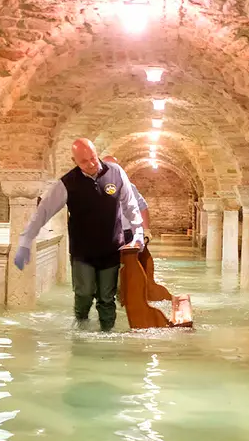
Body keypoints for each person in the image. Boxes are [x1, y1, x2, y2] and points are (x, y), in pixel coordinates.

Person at [13, 138, 144, 331]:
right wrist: (25, 240)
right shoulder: (67, 183)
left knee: (107, 298)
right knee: (84, 293)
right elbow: (43, 212)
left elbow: (130, 205)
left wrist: (138, 232)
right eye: (84, 161)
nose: (91, 164)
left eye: (93, 158)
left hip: (111, 248)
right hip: (83, 251)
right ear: (74, 161)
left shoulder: (116, 173)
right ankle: (81, 327)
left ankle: (107, 334)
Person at [101, 155, 151, 244]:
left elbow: (142, 207)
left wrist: (146, 230)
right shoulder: (94, 187)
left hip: (126, 233)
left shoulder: (129, 187)